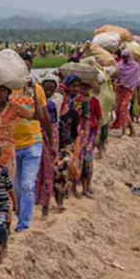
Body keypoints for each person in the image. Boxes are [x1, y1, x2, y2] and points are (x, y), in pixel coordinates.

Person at [11, 52, 53, 232]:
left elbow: (43, 117)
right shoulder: (8, 88)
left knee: (28, 185)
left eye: (28, 66)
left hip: (33, 142)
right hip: (11, 144)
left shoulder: (37, 89)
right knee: (16, 187)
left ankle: (23, 224)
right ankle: (19, 215)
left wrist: (51, 142)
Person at [54, 76, 82, 210]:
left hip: (66, 147)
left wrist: (76, 152)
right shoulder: (51, 112)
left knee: (61, 168)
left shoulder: (72, 113)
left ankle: (60, 202)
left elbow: (76, 134)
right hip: (52, 146)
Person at [37, 74, 63, 219]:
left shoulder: (54, 103)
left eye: (52, 89)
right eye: (46, 89)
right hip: (37, 135)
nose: (49, 92)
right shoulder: (37, 102)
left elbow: (53, 124)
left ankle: (46, 207)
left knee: (49, 170)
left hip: (50, 136)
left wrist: (53, 144)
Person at [80, 82, 103, 196]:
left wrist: (98, 134)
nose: (83, 90)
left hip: (90, 134)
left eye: (85, 88)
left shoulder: (94, 101)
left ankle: (87, 186)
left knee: (88, 160)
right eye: (81, 88)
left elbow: (99, 119)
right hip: (78, 134)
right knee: (79, 161)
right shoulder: (76, 101)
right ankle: (81, 187)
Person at [112, 50, 140, 137]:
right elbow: (117, 76)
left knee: (123, 109)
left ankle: (124, 130)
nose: (124, 59)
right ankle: (131, 129)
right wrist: (116, 83)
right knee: (118, 109)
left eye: (125, 57)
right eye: (123, 57)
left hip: (128, 90)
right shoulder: (120, 65)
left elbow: (137, 80)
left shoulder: (135, 67)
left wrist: (139, 94)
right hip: (119, 90)